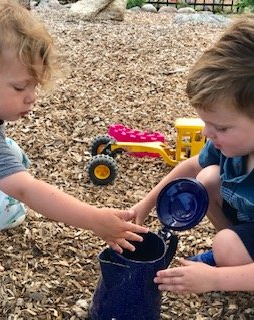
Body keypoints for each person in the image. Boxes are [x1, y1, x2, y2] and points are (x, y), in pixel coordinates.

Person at [0, 0, 148, 278]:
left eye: (34, 85)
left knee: (10, 153)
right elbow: (25, 190)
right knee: (6, 202)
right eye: (20, 87)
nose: (32, 96)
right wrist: (95, 220)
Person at [133, 15, 254, 294]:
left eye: (221, 126)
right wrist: (144, 205)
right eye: (205, 123)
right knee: (206, 177)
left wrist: (214, 281)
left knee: (226, 247)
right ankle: (236, 259)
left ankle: (234, 265)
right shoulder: (231, 144)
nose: (206, 134)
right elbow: (190, 166)